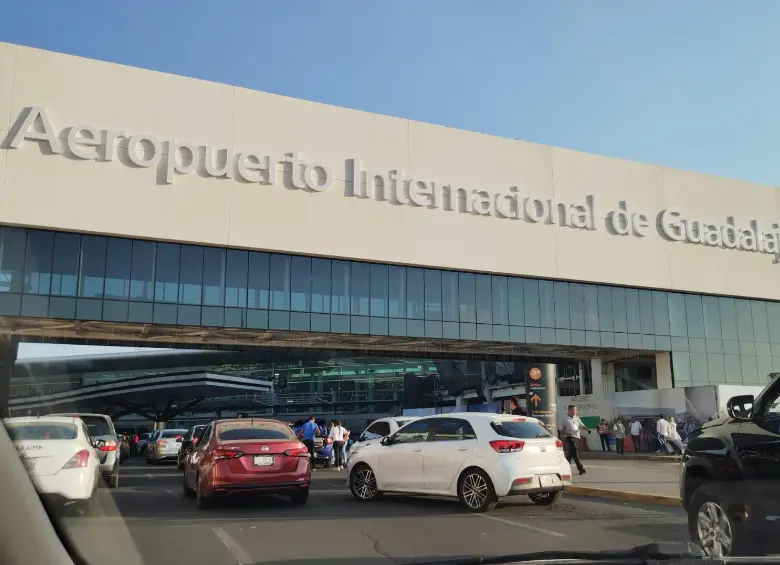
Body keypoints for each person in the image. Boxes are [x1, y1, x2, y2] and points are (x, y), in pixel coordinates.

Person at [561, 405, 591, 475]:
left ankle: (565, 466)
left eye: (576, 410)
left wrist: (587, 430)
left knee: (572, 453)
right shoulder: (564, 419)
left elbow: (581, 425)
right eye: (574, 410)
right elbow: (561, 430)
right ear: (569, 410)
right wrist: (566, 434)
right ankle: (580, 468)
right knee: (575, 451)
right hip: (570, 437)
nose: (575, 411)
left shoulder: (577, 418)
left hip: (576, 437)